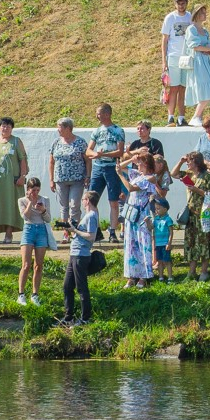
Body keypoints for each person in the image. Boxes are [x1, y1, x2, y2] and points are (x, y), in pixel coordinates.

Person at [116, 150, 159, 285]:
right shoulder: (136, 175)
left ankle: (143, 276)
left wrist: (120, 176)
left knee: (142, 244)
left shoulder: (149, 178)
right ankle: (132, 275)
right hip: (132, 215)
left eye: (140, 162)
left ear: (146, 164)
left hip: (142, 216)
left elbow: (131, 188)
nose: (138, 164)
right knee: (131, 244)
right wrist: (131, 159)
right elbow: (120, 167)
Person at [173, 152, 210, 281]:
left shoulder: (207, 176)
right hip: (191, 216)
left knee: (204, 244)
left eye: (189, 161)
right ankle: (191, 272)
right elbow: (173, 174)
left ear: (196, 162)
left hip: (203, 215)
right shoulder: (189, 174)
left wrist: (197, 190)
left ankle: (204, 272)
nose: (187, 163)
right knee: (191, 244)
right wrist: (181, 161)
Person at [86, 104, 126, 242]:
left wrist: (105, 154)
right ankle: (94, 230)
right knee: (91, 199)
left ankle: (113, 231)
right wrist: (96, 154)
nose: (98, 116)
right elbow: (88, 150)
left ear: (107, 114)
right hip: (98, 167)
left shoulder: (118, 130)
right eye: (97, 114)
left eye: (100, 113)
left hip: (111, 168)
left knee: (113, 201)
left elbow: (120, 151)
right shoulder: (96, 131)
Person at [60, 191, 99, 326]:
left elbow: (91, 236)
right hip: (75, 253)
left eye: (83, 199)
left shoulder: (92, 215)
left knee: (81, 287)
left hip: (81, 255)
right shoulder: (88, 215)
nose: (82, 202)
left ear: (88, 200)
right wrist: (74, 228)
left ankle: (85, 318)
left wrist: (75, 231)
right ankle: (68, 317)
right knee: (67, 286)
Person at [16, 175, 52, 302]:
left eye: (37, 190)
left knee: (39, 265)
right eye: (33, 190)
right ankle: (21, 294)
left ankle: (35, 294)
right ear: (28, 189)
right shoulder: (22, 200)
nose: (36, 193)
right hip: (29, 230)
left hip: (41, 230)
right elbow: (25, 217)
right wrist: (30, 202)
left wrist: (43, 210)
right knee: (26, 264)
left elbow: (48, 219)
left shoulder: (45, 199)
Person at [182, 5, 210, 124]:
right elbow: (194, 46)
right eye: (203, 13)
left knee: (208, 89)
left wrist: (206, 49)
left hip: (205, 60)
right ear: (197, 15)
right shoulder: (191, 29)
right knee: (203, 88)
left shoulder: (205, 30)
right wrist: (205, 48)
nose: (205, 15)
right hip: (197, 61)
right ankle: (196, 116)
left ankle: (197, 116)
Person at [161, 0, 193, 126]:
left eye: (183, 3)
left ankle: (181, 117)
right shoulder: (170, 18)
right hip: (173, 56)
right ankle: (170, 117)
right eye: (178, 3)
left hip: (186, 57)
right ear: (175, 4)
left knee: (183, 88)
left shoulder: (189, 17)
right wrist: (164, 61)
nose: (181, 5)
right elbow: (164, 40)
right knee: (173, 88)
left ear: (186, 3)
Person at [151, 197, 173, 282]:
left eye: (158, 208)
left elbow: (171, 232)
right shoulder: (156, 219)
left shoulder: (168, 219)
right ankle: (161, 277)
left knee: (167, 261)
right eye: (155, 209)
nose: (156, 211)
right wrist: (147, 222)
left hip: (165, 243)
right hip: (158, 244)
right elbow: (151, 227)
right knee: (159, 261)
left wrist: (169, 243)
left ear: (165, 209)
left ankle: (170, 277)